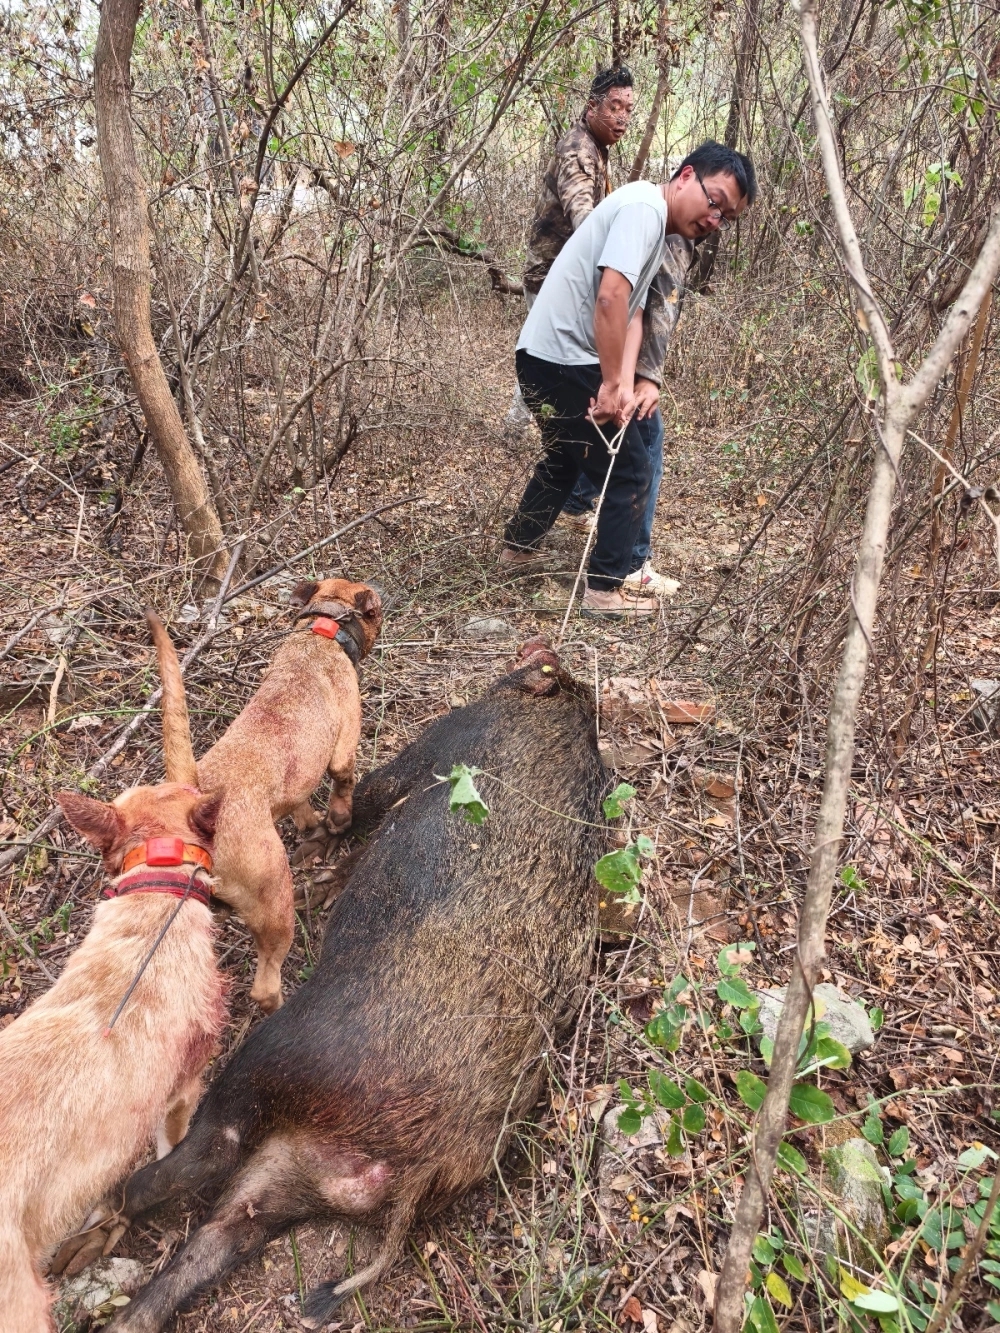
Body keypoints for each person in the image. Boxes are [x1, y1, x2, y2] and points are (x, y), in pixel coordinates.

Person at [500, 141, 757, 619]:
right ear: (685, 177)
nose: (714, 219)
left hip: (543, 357)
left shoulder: (654, 223)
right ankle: (604, 588)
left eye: (726, 217)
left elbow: (634, 311)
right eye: (715, 202)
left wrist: (623, 380)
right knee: (631, 472)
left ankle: (518, 549)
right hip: (560, 360)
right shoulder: (643, 209)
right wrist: (611, 387)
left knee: (565, 458)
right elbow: (610, 299)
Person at [506, 67, 635, 430]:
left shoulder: (597, 147)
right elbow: (584, 217)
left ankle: (519, 427)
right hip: (552, 276)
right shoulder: (579, 149)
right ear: (592, 106)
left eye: (628, 108)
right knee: (547, 356)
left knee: (540, 352)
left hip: (562, 274)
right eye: (614, 106)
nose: (622, 116)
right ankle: (544, 430)